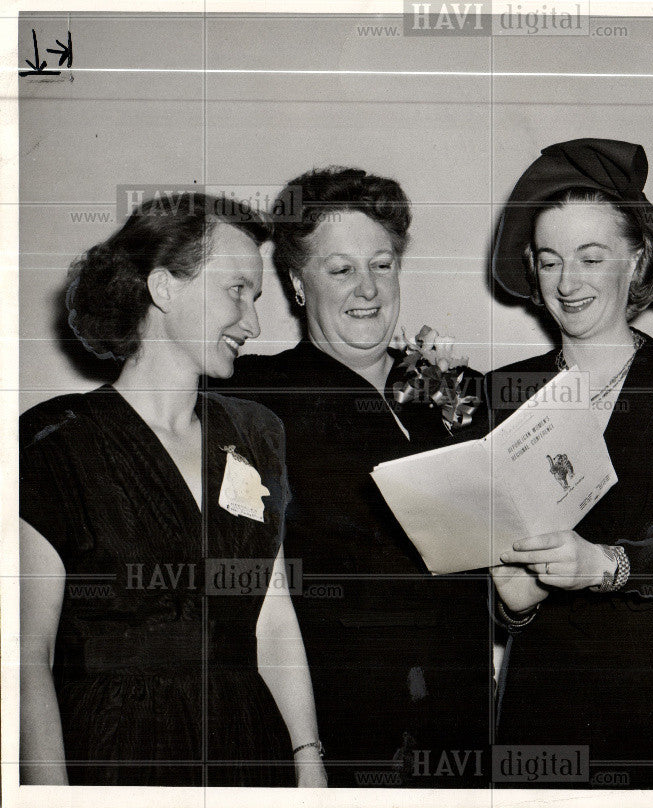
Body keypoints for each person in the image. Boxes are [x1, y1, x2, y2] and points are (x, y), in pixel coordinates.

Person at [19, 193, 326, 787]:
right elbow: (30, 654)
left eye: (255, 297)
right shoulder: (54, 442)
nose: (254, 322)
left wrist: (308, 765)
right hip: (114, 749)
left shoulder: (256, 434)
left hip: (247, 747)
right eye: (236, 290)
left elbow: (273, 620)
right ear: (163, 289)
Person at [488, 139, 653, 789]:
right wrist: (510, 603)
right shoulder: (498, 392)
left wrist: (606, 565)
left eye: (591, 257)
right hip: (549, 705)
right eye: (548, 261)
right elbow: (492, 574)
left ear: (637, 262)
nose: (567, 282)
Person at [211, 167, 492, 788]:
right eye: (340, 270)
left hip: (464, 731)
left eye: (383, 265)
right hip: (334, 732)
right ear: (296, 284)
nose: (367, 289)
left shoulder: (457, 389)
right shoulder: (254, 393)